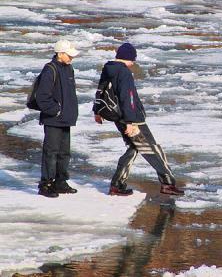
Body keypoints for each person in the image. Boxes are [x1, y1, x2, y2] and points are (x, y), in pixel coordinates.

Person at [94, 43, 184, 196]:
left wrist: (97, 111)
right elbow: (127, 98)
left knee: (134, 148)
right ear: (129, 58)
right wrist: (130, 122)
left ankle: (117, 185)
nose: (134, 63)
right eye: (133, 59)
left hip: (118, 117)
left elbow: (100, 90)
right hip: (132, 119)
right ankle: (168, 184)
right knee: (152, 149)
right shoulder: (124, 72)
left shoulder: (108, 68)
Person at [36, 39, 79, 198]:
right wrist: (56, 111)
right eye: (69, 55)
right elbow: (42, 97)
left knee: (64, 153)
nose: (71, 58)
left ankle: (60, 182)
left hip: (65, 119)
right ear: (60, 54)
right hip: (53, 119)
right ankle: (46, 184)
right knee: (51, 152)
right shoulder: (50, 70)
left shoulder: (68, 69)